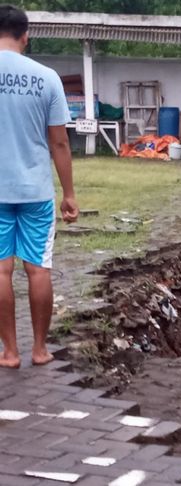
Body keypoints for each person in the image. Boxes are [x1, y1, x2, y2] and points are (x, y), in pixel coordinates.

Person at [0, 5, 79, 369]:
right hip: (35, 190)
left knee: (1, 270)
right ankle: (40, 349)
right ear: (25, 35)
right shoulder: (47, 78)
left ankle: (11, 353)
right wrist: (69, 194)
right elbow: (60, 143)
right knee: (38, 268)